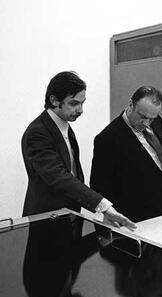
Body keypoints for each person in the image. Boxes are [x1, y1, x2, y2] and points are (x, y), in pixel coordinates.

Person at [21, 71, 135, 231]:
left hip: (70, 217)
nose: (80, 110)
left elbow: (74, 175)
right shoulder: (38, 133)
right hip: (47, 221)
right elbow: (60, 177)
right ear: (54, 100)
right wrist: (103, 206)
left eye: (82, 103)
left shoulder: (63, 125)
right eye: (74, 104)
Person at [90, 86, 162, 222]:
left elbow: (153, 159)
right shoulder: (108, 139)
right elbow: (101, 186)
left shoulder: (157, 121)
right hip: (137, 215)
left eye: (151, 119)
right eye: (143, 117)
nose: (146, 123)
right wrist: (105, 228)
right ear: (130, 105)